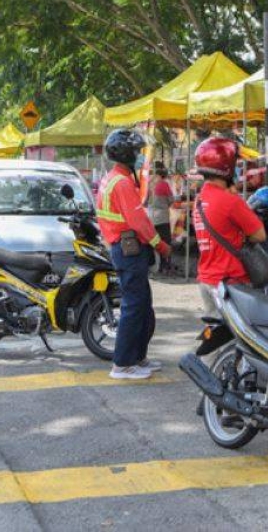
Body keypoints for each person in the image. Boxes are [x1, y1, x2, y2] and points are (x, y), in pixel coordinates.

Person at [96, 129, 172, 380]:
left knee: (142, 306)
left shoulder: (113, 178)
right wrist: (161, 244)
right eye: (138, 152)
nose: (141, 157)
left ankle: (138, 358)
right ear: (127, 154)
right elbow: (139, 221)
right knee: (133, 306)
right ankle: (123, 364)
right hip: (129, 250)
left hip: (123, 248)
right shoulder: (123, 183)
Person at [191, 138, 266, 315]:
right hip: (232, 284)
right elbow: (260, 235)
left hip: (207, 281)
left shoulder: (199, 200)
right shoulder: (230, 202)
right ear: (227, 167)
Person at [147, 162, 174, 273]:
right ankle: (164, 266)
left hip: (150, 218)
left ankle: (151, 266)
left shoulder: (149, 183)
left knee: (152, 243)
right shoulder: (164, 184)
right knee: (165, 242)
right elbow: (171, 200)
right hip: (162, 218)